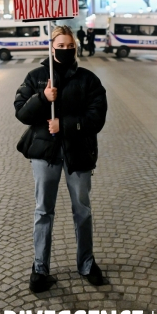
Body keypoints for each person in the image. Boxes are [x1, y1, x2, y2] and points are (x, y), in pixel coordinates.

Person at [14, 25, 108, 293]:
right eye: (61, 46)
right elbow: (21, 113)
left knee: (83, 211)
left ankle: (87, 263)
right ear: (51, 47)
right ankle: (40, 267)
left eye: (70, 47)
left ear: (75, 48)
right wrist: (43, 98)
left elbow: (96, 117)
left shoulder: (88, 79)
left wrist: (65, 125)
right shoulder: (36, 77)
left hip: (78, 152)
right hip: (45, 153)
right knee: (43, 210)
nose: (66, 50)